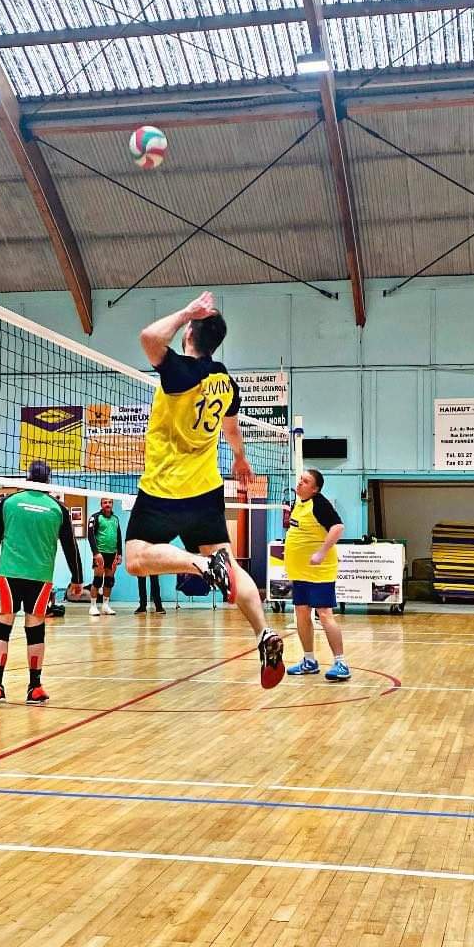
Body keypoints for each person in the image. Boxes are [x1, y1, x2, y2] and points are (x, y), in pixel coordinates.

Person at [124, 290, 284, 688]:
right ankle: (263, 632)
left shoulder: (181, 372)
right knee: (230, 565)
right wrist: (241, 459)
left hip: (165, 488)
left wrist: (186, 312)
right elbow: (231, 427)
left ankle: (199, 565)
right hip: (207, 489)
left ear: (188, 335)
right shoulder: (224, 381)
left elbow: (148, 337)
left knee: (135, 559)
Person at [0, 460, 83, 707]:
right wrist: (77, 578)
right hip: (40, 577)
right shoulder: (58, 508)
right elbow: (70, 546)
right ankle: (35, 687)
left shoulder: (9, 502)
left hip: (9, 574)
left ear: (27, 478)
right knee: (35, 630)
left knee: (1, 627)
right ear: (48, 480)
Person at [284, 468, 349, 681]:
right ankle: (309, 660)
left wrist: (321, 553)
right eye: (300, 479)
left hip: (318, 572)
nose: (300, 483)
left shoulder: (319, 503)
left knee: (324, 614)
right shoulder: (298, 503)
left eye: (305, 481)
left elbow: (338, 527)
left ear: (315, 489)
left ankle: (341, 663)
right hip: (299, 571)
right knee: (301, 613)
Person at [87, 496, 122, 616]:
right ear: (101, 504)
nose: (108, 504)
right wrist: (96, 553)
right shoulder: (95, 517)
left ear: (112, 504)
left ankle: (105, 606)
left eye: (110, 502)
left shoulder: (115, 519)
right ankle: (93, 606)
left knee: (109, 580)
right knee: (97, 580)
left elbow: (119, 537)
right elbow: (91, 536)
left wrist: (120, 553)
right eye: (105, 502)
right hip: (100, 554)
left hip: (112, 553)